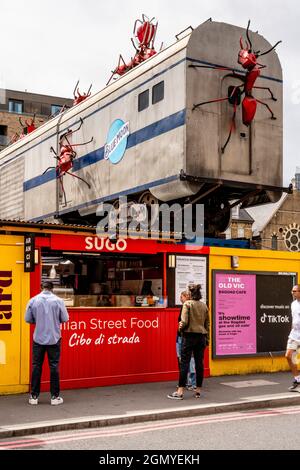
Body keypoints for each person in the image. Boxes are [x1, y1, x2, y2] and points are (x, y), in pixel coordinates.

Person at [25, 281, 69, 405]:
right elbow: (65, 318)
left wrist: (39, 320)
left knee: (36, 366)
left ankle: (34, 397)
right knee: (54, 366)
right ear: (52, 288)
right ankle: (54, 397)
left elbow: (28, 319)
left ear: (41, 288)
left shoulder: (33, 300)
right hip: (54, 338)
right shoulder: (58, 301)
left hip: (38, 338)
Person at [168, 284, 209, 400]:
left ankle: (180, 391)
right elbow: (208, 324)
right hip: (201, 337)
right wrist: (208, 339)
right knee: (199, 364)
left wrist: (180, 329)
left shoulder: (187, 304)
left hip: (189, 336)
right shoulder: (204, 306)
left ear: (190, 294)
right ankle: (198, 390)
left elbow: (184, 321)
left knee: (184, 363)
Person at [176, 291, 196, 390]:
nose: (180, 298)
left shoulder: (188, 307)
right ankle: (186, 382)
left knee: (189, 360)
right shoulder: (184, 307)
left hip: (185, 337)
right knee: (182, 359)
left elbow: (183, 322)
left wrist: (181, 328)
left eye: (181, 296)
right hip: (181, 336)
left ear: (186, 297)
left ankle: (192, 383)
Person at [286, 284, 300, 391]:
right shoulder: (293, 304)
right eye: (292, 291)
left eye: (295, 291)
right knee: (288, 356)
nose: (292, 293)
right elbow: (294, 318)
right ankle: (297, 381)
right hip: (294, 334)